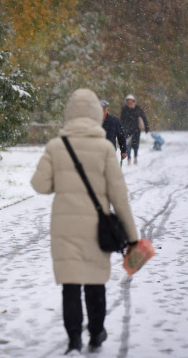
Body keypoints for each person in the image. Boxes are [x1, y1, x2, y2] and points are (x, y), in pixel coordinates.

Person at [30, 89, 139, 354]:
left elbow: (40, 184)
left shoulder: (57, 146)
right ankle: (96, 333)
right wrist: (133, 237)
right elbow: (119, 197)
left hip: (64, 228)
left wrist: (62, 177)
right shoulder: (104, 148)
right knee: (94, 282)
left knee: (70, 285)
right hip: (96, 228)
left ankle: (73, 339)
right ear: (94, 114)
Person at [120, 94, 149, 165]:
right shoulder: (124, 109)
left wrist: (146, 127)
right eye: (128, 100)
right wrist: (120, 129)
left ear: (133, 100)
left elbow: (144, 117)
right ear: (126, 101)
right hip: (127, 129)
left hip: (136, 129)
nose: (129, 101)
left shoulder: (138, 108)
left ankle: (135, 157)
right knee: (128, 145)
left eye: (130, 100)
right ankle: (129, 158)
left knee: (136, 144)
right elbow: (121, 120)